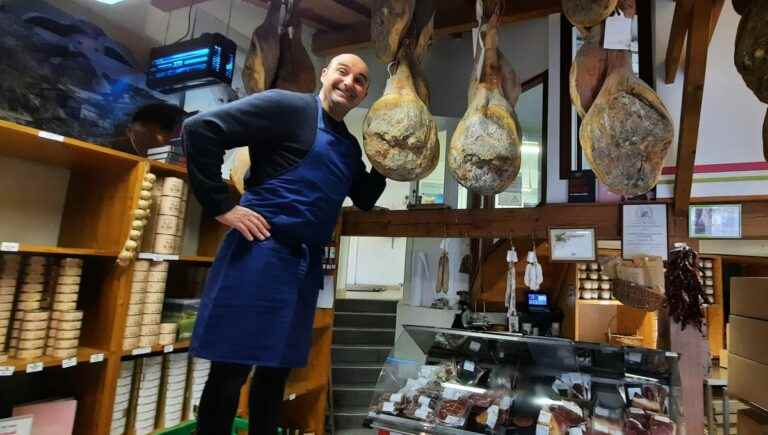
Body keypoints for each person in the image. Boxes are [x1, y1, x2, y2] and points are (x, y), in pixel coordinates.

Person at [182, 53, 386, 435]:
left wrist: (387, 156)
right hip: (258, 254)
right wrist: (222, 206)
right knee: (230, 372)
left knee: (276, 376)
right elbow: (200, 130)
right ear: (324, 74)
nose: (349, 83)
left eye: (361, 80)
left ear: (363, 94)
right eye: (343, 72)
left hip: (302, 268)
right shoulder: (287, 106)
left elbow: (364, 195)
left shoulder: (347, 145)